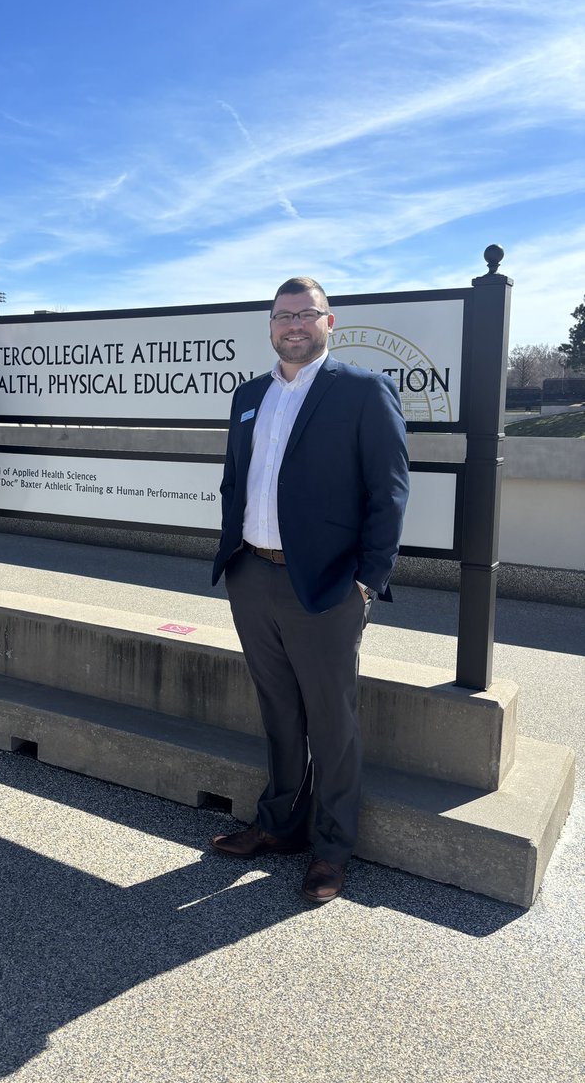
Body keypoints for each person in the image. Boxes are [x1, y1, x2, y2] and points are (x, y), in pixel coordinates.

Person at [211, 277, 409, 902]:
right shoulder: (250, 395)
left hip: (325, 588)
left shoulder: (361, 390)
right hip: (252, 574)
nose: (292, 325)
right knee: (278, 712)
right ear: (269, 326)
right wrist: (233, 554)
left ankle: (330, 848)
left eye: (305, 314)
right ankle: (278, 825)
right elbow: (234, 481)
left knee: (331, 720)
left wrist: (367, 582)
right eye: (281, 316)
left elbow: (390, 492)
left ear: (330, 322)